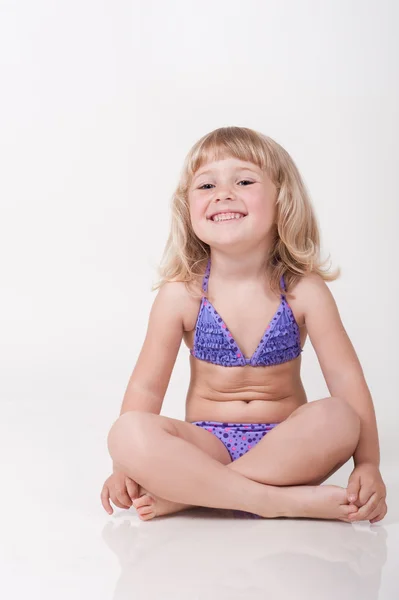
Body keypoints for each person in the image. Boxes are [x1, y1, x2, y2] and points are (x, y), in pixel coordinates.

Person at [101, 126, 387, 523]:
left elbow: (347, 380)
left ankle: (194, 495)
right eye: (206, 185)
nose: (223, 193)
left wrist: (368, 464)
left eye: (244, 180)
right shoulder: (182, 294)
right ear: (188, 208)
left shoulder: (304, 290)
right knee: (126, 433)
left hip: (285, 448)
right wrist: (125, 467)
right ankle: (273, 501)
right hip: (205, 445)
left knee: (339, 417)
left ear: (282, 199)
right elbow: (146, 387)